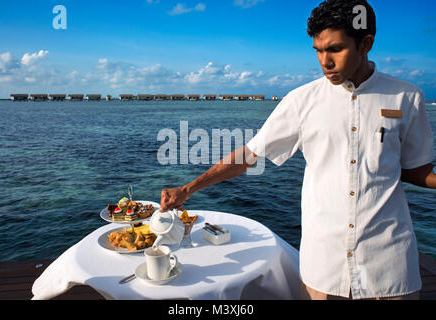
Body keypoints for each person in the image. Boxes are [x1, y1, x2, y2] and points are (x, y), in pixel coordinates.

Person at [160, 0, 435, 300]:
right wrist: (189, 188)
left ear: (365, 43)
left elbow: (416, 171)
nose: (324, 61)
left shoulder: (407, 97)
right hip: (324, 269)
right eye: (318, 50)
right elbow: (249, 155)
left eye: (335, 49)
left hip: (389, 268)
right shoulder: (302, 101)